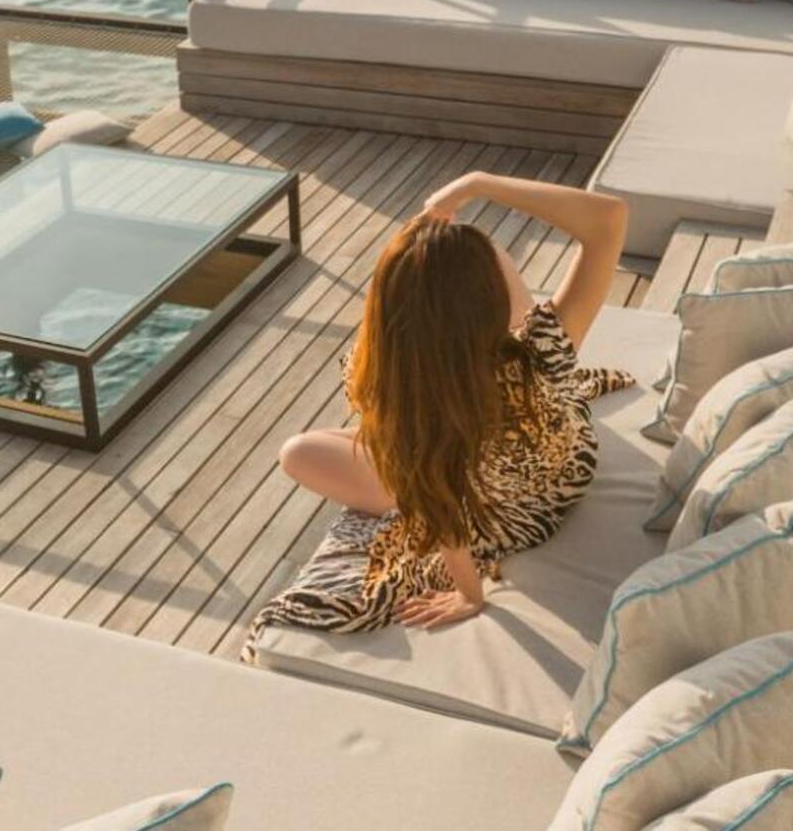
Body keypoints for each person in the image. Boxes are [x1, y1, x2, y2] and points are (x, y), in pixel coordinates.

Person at [248, 172, 633, 643]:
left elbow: (439, 502)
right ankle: (394, 440)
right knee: (470, 249)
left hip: (509, 513)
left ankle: (391, 445)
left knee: (298, 452)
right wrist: (478, 184)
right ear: (485, 303)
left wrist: (470, 593)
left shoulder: (388, 377)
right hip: (567, 466)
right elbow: (608, 218)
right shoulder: (541, 353)